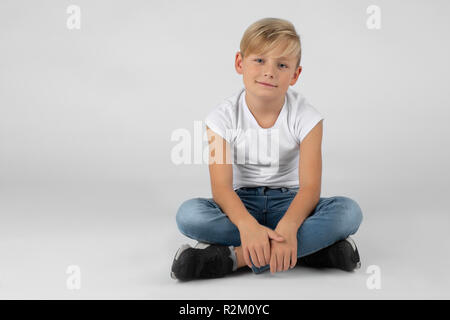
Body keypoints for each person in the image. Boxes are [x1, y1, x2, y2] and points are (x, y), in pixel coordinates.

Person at [171, 17, 363, 281]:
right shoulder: (221, 118)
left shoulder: (307, 118)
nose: (269, 71)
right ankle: (309, 251)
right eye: (259, 60)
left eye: (282, 65)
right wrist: (248, 225)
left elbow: (309, 189)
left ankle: (233, 258)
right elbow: (222, 190)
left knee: (348, 212)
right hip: (241, 204)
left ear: (295, 74)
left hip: (291, 204)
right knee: (189, 215)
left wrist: (291, 223)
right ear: (240, 63)